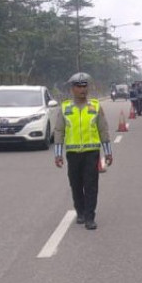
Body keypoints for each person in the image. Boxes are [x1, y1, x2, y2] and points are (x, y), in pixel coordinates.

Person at [53, 72, 113, 230]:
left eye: (85, 85)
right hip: (73, 154)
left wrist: (108, 152)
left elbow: (103, 130)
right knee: (76, 184)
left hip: (91, 153)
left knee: (91, 185)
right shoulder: (65, 108)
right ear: (72, 89)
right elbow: (59, 131)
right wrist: (58, 154)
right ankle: (80, 211)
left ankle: (89, 216)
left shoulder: (95, 106)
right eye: (78, 86)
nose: (82, 89)